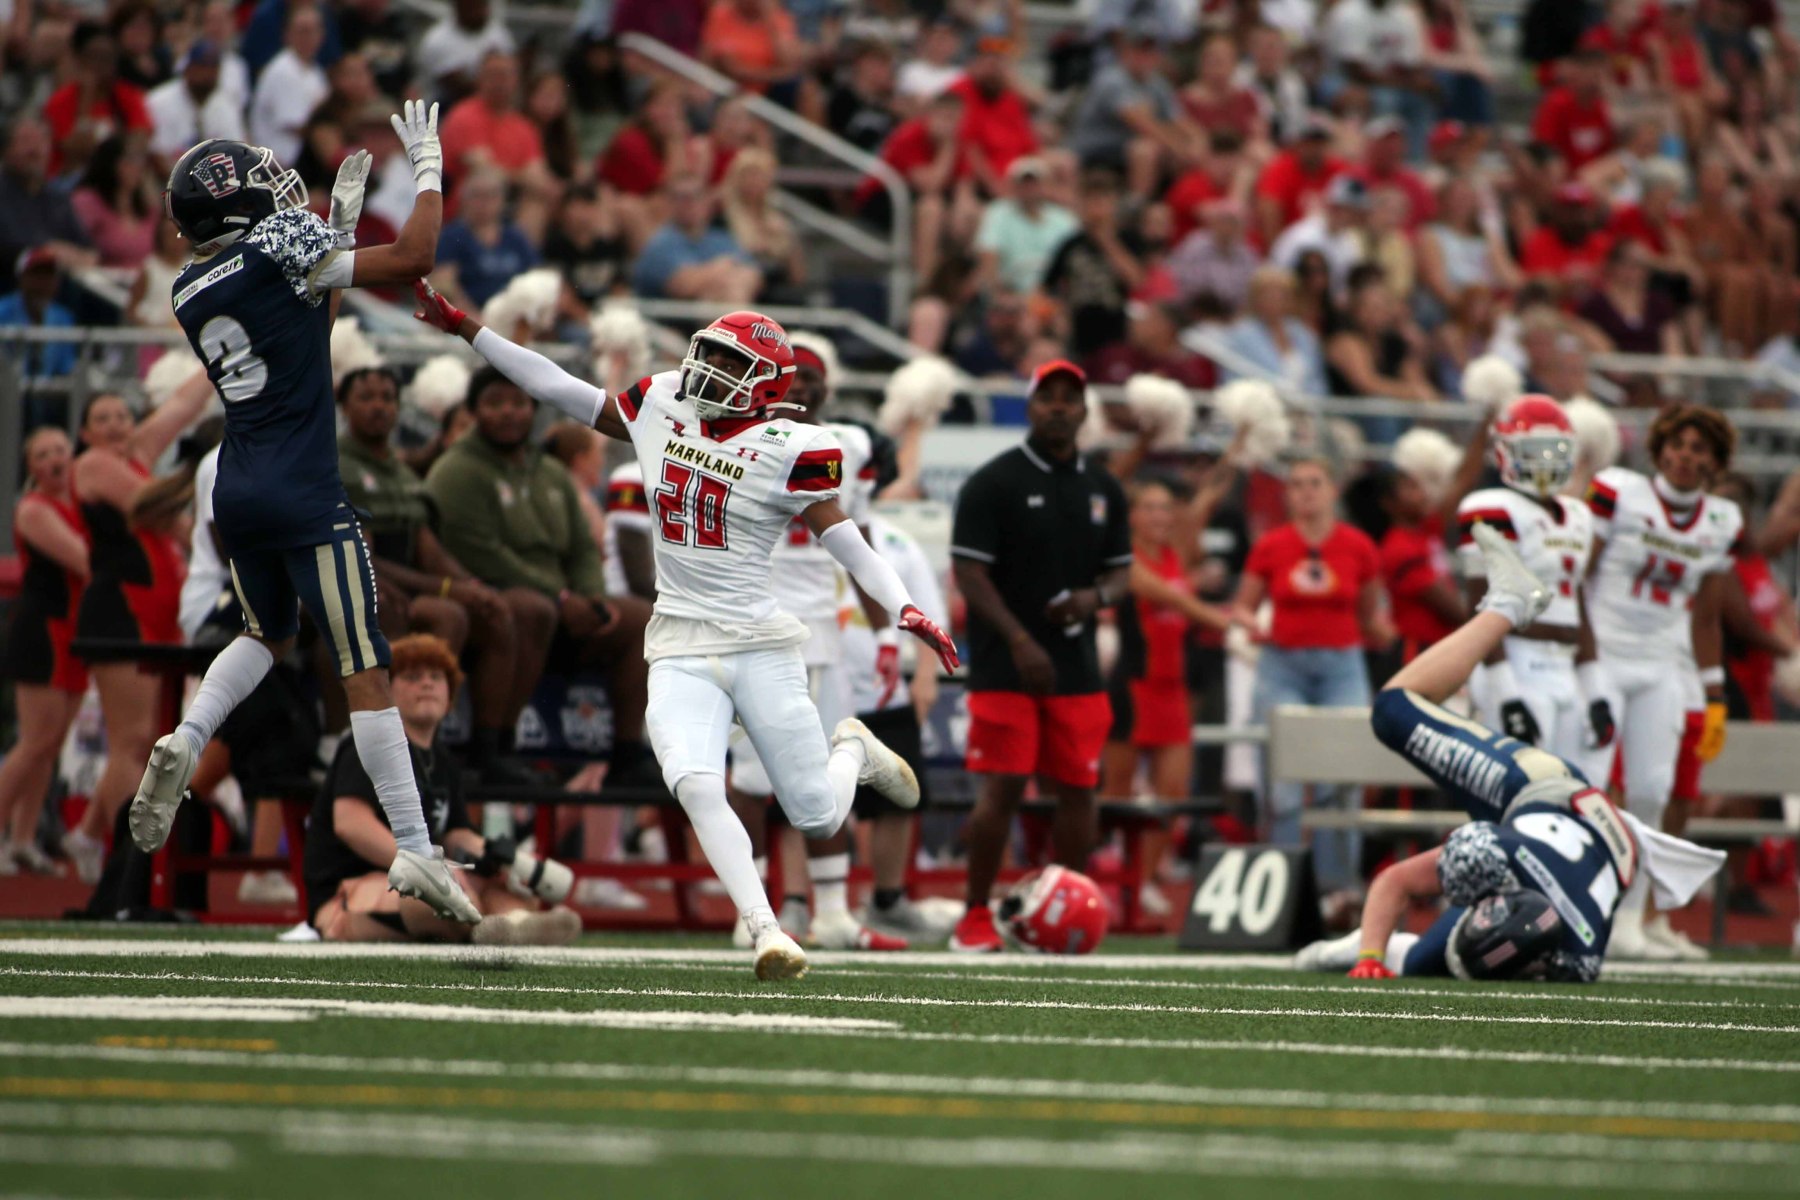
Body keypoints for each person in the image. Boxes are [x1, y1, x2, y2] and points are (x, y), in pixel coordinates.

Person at [411, 290, 959, 978]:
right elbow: (556, 385)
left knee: (817, 816)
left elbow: (846, 540)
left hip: (759, 643)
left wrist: (904, 606)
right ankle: (764, 929)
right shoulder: (664, 401)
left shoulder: (794, 447)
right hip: (679, 639)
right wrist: (467, 329)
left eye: (731, 363)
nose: (709, 370)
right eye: (712, 354)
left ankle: (852, 749)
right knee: (696, 783)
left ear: (765, 386)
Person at [127, 104, 479, 928]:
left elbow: (303, 331)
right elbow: (416, 257)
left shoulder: (188, 285)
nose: (280, 188)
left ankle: (188, 736)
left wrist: (339, 232)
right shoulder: (276, 244)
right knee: (365, 664)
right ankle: (416, 848)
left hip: (239, 486)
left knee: (266, 634)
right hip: (305, 488)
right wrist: (428, 168)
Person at [1295, 523, 1725, 981]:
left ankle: (1343, 948)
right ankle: (1507, 606)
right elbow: (1396, 880)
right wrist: (1370, 958)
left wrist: (1372, 958)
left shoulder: (1578, 959)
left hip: (1585, 835)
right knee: (1392, 711)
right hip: (1540, 787)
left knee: (1427, 965)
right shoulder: (1501, 857)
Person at [719, 333, 902, 951]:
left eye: (813, 376)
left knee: (821, 776)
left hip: (821, 633)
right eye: (792, 375)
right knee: (750, 780)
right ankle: (752, 909)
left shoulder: (849, 446)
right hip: (753, 625)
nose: (803, 385)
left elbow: (860, 544)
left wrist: (887, 635)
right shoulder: (739, 437)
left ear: (829, 387)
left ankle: (833, 911)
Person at [948, 360, 1133, 953]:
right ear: (1030, 407)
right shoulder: (994, 481)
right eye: (1047, 397)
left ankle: (1064, 911)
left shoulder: (1102, 487)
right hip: (1005, 663)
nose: (1058, 406)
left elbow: (1122, 573)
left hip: (1076, 665)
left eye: (1069, 398)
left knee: (1079, 789)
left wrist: (1093, 599)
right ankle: (975, 914)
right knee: (1003, 786)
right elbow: (968, 572)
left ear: (1084, 410)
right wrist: (1019, 640)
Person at [1580, 406, 1742, 961]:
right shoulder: (1619, 492)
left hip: (1662, 664)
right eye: (1678, 444)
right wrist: (1578, 654)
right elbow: (1580, 575)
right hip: (1603, 654)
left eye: (1699, 449)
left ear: (1715, 462)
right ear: (1659, 448)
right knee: (1590, 785)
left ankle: (1631, 918)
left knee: (1652, 790)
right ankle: (1585, 906)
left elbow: (1706, 618)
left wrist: (1714, 694)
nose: (1686, 456)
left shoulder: (1721, 519)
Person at [337, 365, 553, 783]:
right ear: (344, 407)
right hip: (368, 589)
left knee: (496, 611)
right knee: (447, 614)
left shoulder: (400, 471)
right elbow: (363, 559)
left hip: (411, 585)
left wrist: (471, 588)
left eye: (387, 398)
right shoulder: (340, 467)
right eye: (366, 398)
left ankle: (489, 748)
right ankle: (414, 747)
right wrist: (448, 589)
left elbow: (428, 550)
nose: (379, 407)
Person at [306, 634, 582, 944]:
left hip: (417, 882)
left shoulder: (443, 761)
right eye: (412, 677)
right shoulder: (368, 746)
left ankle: (514, 925)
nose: (427, 684)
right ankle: (493, 928)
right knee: (442, 896)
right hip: (349, 891)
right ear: (387, 691)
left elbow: (456, 833)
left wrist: (512, 863)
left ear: (450, 694)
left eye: (436, 677)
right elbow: (351, 824)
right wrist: (428, 869)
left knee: (502, 889)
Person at [64, 382, 209, 884]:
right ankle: (132, 859)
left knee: (148, 737)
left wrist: (224, 356)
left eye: (122, 416)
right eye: (101, 419)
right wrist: (199, 478)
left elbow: (183, 405)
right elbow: (154, 507)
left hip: (158, 612)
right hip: (119, 612)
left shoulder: (139, 452)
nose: (115, 426)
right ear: (85, 433)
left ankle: (88, 834)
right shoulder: (92, 465)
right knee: (133, 740)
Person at [1232, 458, 1389, 900]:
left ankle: (1336, 888)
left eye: (1314, 483)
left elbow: (1369, 611)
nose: (1305, 491)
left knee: (1341, 777)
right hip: (1282, 663)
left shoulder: (1358, 545)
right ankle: (1281, 887)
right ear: (1287, 495)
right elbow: (1243, 604)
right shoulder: (1271, 544)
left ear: (1332, 490)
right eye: (1297, 484)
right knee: (1280, 778)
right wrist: (1250, 623)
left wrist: (1381, 632)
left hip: (1342, 664)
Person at [1100, 473, 1234, 918]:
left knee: (1173, 794)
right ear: (1132, 516)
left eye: (1165, 508)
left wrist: (1233, 454)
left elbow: (1202, 504)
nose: (1160, 515)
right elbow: (1172, 601)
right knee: (1116, 792)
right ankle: (1104, 876)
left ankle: (1142, 880)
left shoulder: (1177, 552)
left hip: (1173, 690)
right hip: (1133, 687)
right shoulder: (1126, 559)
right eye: (1149, 507)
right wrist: (1222, 620)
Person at [1455, 396, 1605, 766]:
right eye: (1533, 451)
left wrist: (1595, 687)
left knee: (1571, 787)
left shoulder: (1579, 515)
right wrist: (1505, 692)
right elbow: (1480, 608)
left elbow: (1577, 604)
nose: (1545, 461)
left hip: (1566, 667)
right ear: (1504, 452)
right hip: (1517, 663)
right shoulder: (1492, 507)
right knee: (1518, 786)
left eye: (1554, 450)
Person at [0, 429, 89, 875]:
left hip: (74, 633)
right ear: (31, 467)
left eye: (60, 450)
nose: (54, 459)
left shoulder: (80, 504)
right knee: (34, 742)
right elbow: (83, 560)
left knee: (49, 746)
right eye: (42, 454)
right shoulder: (35, 509)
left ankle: (23, 839)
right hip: (42, 633)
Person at [145, 39, 246, 169]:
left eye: (213, 68)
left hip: (213, 178)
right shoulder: (159, 101)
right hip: (167, 176)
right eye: (202, 67)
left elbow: (237, 153)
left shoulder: (226, 104)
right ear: (188, 68)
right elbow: (156, 154)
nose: (208, 74)